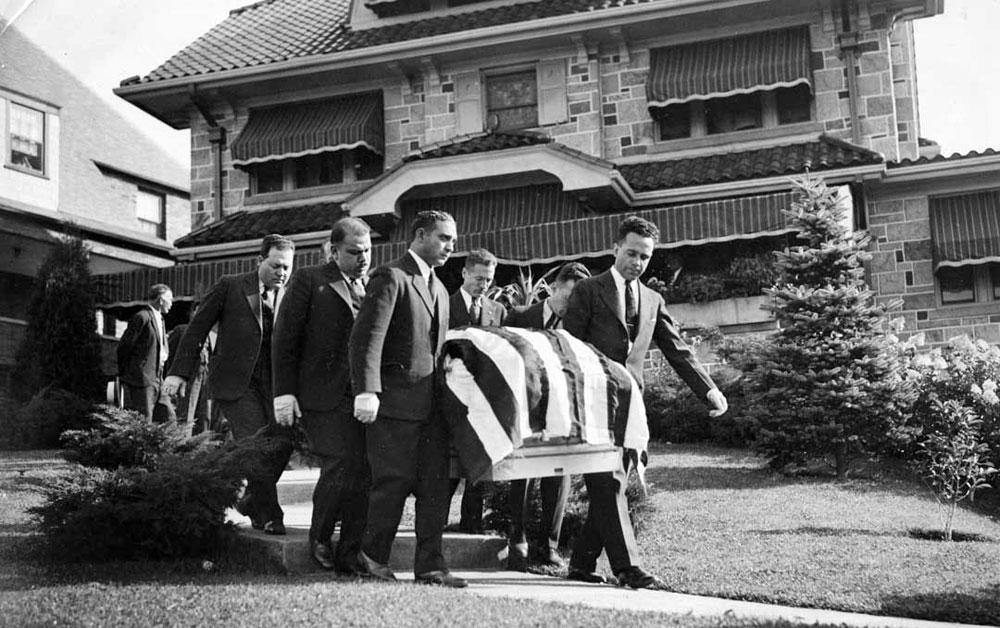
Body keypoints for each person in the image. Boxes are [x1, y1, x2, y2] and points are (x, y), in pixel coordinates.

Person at [561, 216, 728, 589]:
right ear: (616, 248)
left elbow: (677, 349)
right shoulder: (588, 290)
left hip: (631, 407)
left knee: (614, 483)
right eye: (632, 253)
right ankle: (628, 567)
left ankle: (581, 564)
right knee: (608, 481)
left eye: (645, 257)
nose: (637, 262)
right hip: (593, 404)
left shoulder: (653, 300)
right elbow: (568, 349)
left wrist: (708, 389)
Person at [349, 210, 466, 588]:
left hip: (432, 408)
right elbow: (367, 338)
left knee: (436, 486)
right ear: (419, 235)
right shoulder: (391, 276)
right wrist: (367, 390)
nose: (450, 247)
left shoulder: (441, 289)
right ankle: (371, 557)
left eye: (453, 241)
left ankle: (431, 566)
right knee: (392, 482)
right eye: (444, 238)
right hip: (393, 405)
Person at [163, 234, 296, 535]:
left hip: (274, 385)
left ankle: (251, 500)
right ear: (260, 260)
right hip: (236, 384)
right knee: (256, 442)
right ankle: (271, 514)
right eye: (275, 266)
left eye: (287, 267)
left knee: (284, 441)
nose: (281, 273)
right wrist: (178, 372)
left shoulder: (290, 295)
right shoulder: (231, 286)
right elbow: (197, 328)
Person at [272, 217, 372, 574]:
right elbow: (285, 339)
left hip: (363, 396)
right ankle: (320, 537)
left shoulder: (373, 285)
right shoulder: (310, 280)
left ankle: (351, 550)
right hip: (323, 394)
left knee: (363, 469)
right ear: (334, 250)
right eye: (355, 252)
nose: (363, 259)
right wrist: (284, 392)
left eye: (368, 251)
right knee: (339, 463)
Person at [503, 261, 590, 571]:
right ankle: (517, 539)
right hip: (527, 407)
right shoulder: (519, 316)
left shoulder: (581, 323)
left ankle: (549, 546)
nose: (573, 302)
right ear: (553, 287)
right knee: (523, 474)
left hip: (564, 409)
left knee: (559, 473)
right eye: (569, 294)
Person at [446, 248, 507, 535]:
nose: (483, 285)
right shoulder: (444, 304)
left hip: (482, 400)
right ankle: (435, 522)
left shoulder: (498, 311)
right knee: (447, 467)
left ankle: (471, 524)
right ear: (464, 273)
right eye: (479, 278)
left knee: (478, 462)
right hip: (450, 396)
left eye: (488, 280)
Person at [117, 284, 173, 421]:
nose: (171, 303)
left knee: (169, 417)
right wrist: (129, 373)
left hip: (159, 378)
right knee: (145, 420)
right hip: (143, 379)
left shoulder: (161, 319)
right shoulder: (142, 317)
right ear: (161, 300)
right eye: (170, 299)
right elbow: (124, 347)